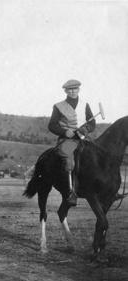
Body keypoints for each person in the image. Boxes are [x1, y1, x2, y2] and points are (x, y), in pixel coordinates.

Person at [48, 79, 95, 207]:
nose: (73, 91)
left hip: (83, 138)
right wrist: (64, 132)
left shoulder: (85, 104)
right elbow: (52, 125)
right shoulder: (58, 106)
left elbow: (92, 123)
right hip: (67, 139)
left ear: (79, 89)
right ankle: (71, 192)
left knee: (98, 155)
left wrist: (85, 129)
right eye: (70, 89)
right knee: (69, 160)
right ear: (66, 91)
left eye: (75, 89)